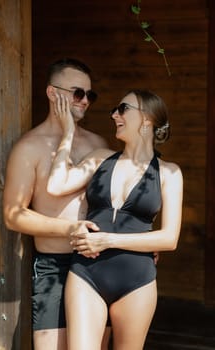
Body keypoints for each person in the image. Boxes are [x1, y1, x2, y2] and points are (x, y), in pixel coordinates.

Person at [47, 88, 183, 350]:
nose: (114, 115)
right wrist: (68, 134)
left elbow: (169, 238)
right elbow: (55, 186)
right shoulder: (100, 159)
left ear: (147, 119)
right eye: (115, 110)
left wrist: (105, 240)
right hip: (86, 274)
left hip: (137, 282)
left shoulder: (169, 173)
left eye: (123, 109)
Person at [3, 58, 111, 350]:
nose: (85, 101)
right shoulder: (30, 147)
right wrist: (70, 229)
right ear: (53, 93)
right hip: (55, 266)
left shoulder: (97, 143)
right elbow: (14, 216)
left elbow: (122, 198)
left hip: (98, 263)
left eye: (90, 95)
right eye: (78, 93)